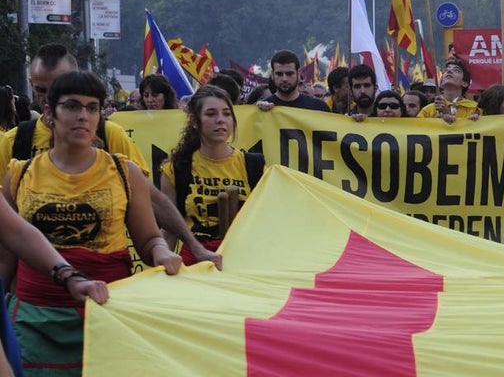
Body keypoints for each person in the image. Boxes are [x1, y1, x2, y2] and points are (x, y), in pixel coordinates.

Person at [3, 71, 180, 377]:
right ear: (48, 112)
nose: (83, 116)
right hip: (34, 322)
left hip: (109, 316)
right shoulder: (19, 175)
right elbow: (7, 257)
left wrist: (162, 252)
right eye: (72, 106)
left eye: (92, 107)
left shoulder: (125, 172)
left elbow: (149, 239)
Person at [4, 44, 221, 269]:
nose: (81, 116)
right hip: (35, 297)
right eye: (42, 90)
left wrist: (186, 247)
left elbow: (151, 202)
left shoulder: (113, 141)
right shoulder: (14, 151)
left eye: (90, 107)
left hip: (107, 290)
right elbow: (8, 238)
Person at [160, 85, 266, 266]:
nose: (220, 120)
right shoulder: (176, 170)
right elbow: (170, 230)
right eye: (211, 114)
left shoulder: (254, 166)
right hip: (196, 266)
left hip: (243, 264)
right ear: (195, 121)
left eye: (226, 113)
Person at [257, 50, 331, 112]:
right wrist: (259, 111)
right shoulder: (262, 109)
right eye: (279, 74)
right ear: (272, 75)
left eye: (289, 73)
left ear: (298, 74)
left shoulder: (319, 107)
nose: (284, 79)